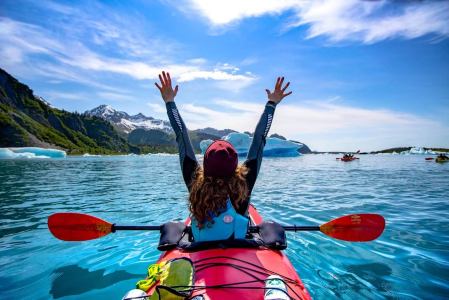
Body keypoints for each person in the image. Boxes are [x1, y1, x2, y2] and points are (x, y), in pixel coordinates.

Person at [155, 71, 292, 242]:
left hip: (201, 247)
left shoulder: (195, 180)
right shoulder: (244, 181)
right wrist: (271, 104)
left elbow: (181, 135)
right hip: (239, 243)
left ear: (205, 163)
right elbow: (259, 139)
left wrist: (170, 102)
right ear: (235, 165)